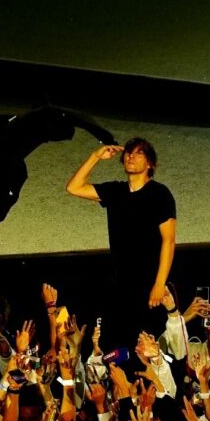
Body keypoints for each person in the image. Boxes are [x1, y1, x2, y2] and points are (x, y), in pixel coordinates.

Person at [66, 138, 177, 342]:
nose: (131, 156)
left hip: (149, 283)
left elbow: (168, 241)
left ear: (150, 163)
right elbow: (74, 187)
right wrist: (96, 156)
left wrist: (159, 284)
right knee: (116, 345)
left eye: (139, 153)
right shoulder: (115, 191)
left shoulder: (159, 194)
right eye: (128, 152)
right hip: (120, 284)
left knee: (149, 345)